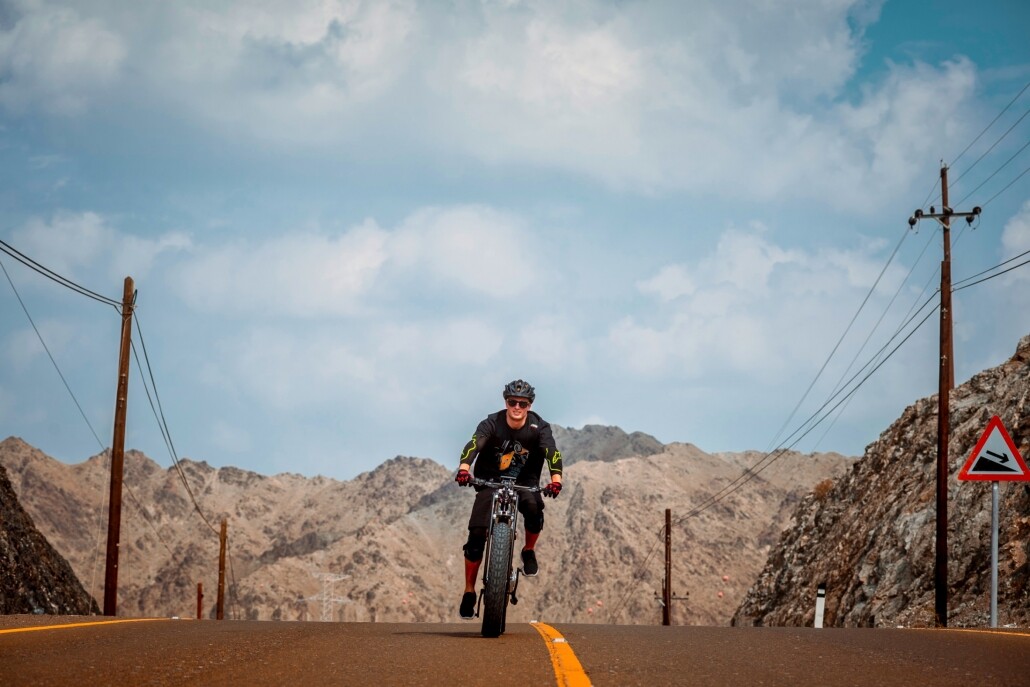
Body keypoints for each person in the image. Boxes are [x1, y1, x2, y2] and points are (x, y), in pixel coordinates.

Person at [454, 379, 564, 619]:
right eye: (512, 402)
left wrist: (556, 480)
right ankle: (469, 591)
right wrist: (464, 468)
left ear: (529, 406)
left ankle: (528, 550)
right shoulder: (492, 422)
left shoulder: (540, 427)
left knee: (534, 509)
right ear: (506, 402)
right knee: (475, 537)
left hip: (525, 481)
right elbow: (475, 444)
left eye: (522, 404)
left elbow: (551, 452)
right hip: (490, 480)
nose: (517, 407)